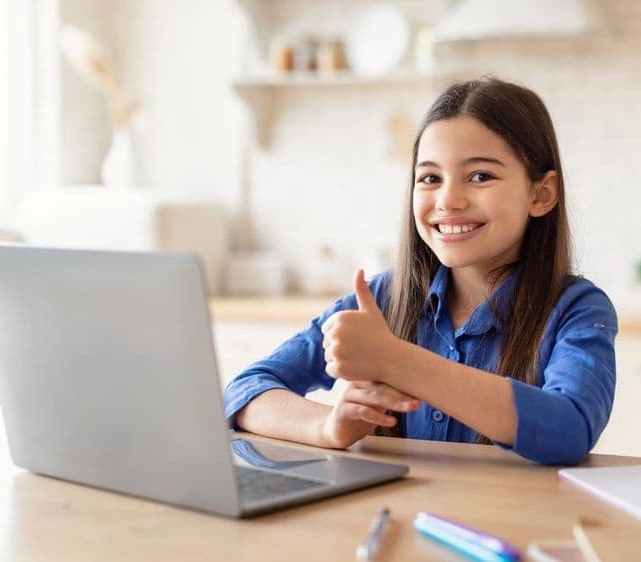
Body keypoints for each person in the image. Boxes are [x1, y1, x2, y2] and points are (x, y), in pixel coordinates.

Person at [223, 77, 617, 465]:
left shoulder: (577, 308)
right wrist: (327, 427)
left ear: (541, 194)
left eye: (480, 176)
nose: (448, 200)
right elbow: (244, 391)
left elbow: (571, 429)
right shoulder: (381, 300)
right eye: (430, 178)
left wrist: (395, 360)